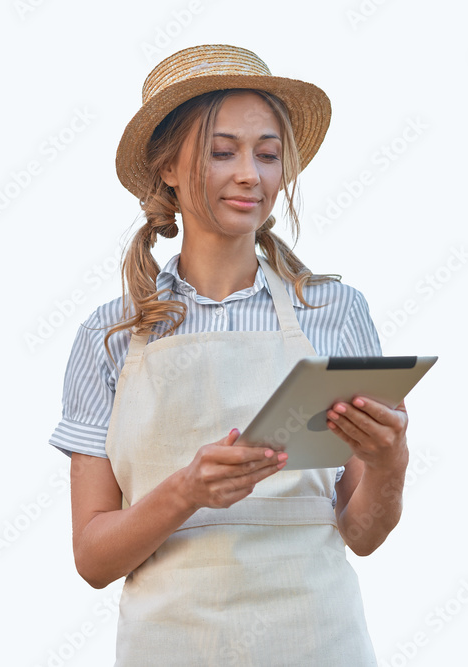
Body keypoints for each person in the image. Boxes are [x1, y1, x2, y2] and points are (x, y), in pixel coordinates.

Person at [48, 44, 410, 666]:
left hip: (317, 642)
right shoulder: (109, 337)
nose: (252, 174)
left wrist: (390, 462)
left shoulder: (336, 313)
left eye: (268, 155)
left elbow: (362, 532)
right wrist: (185, 491)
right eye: (223, 152)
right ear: (166, 165)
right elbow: (93, 559)